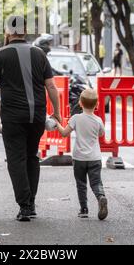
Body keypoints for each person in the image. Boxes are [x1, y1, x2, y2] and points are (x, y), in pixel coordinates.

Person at [0, 16, 62, 222]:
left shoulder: (2, 54)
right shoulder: (39, 53)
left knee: (16, 159)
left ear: (8, 32)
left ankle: (25, 206)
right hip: (37, 116)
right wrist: (58, 113)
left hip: (13, 117)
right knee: (32, 156)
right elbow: (51, 86)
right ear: (25, 31)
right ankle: (30, 203)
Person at [56, 88, 108, 221]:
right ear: (96, 105)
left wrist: (56, 123)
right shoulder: (98, 120)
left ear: (80, 103)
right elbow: (102, 134)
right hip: (95, 158)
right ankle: (101, 196)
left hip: (79, 158)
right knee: (96, 182)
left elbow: (64, 133)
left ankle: (84, 209)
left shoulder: (76, 118)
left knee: (81, 183)